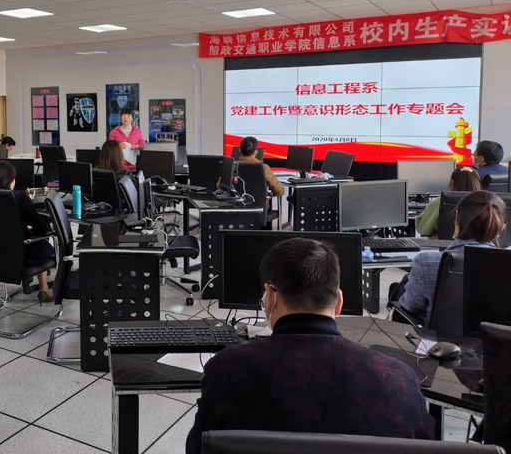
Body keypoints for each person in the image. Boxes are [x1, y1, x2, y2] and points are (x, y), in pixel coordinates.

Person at [185, 237, 434, 454]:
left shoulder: (227, 369)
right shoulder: (398, 378)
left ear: (269, 297)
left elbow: (198, 448)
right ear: (339, 303)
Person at [398, 190, 506, 325]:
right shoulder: (505, 264)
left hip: (437, 338)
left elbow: (410, 306)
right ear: (501, 228)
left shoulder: (426, 262)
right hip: (494, 338)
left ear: (456, 219)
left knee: (400, 287)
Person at [0, 161, 55, 303]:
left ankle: (30, 279)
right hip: (21, 254)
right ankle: (44, 289)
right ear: (10, 181)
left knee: (30, 235)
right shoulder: (19, 197)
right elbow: (42, 228)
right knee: (41, 237)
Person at [415, 166, 482, 237]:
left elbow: (422, 229)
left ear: (452, 183)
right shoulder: (485, 202)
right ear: (478, 183)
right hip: (477, 244)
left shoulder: (440, 201)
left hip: (443, 243)